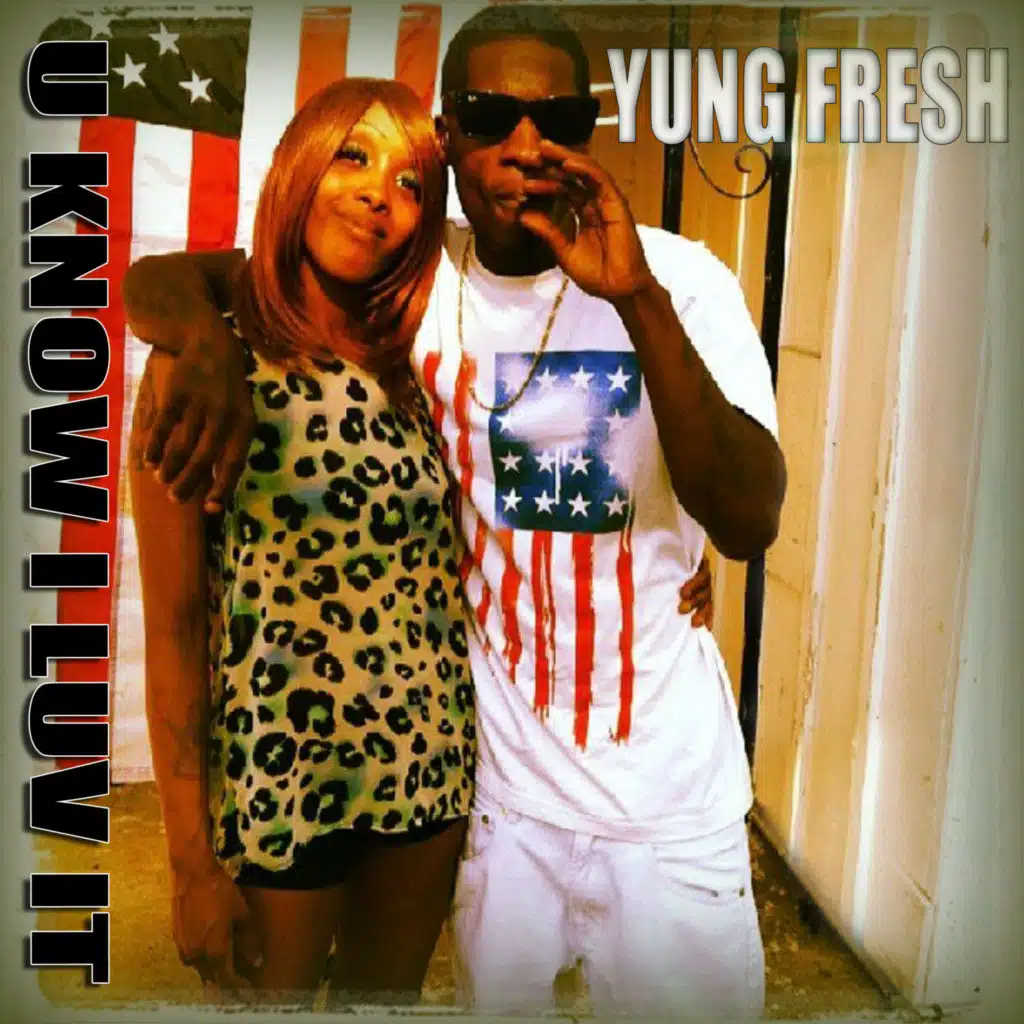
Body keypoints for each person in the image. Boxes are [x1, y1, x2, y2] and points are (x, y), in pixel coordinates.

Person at [122, 5, 781, 1018]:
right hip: (501, 807)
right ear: (452, 137)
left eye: (560, 119)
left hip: (661, 803)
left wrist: (635, 297)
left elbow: (747, 519)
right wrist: (200, 339)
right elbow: (198, 278)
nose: (527, 145)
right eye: (489, 115)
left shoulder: (682, 281)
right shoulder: (418, 289)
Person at [129, 76, 473, 1010]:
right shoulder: (203, 366)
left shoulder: (419, 363)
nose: (378, 194)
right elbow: (174, 627)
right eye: (352, 156)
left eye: (410, 183)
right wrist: (191, 863)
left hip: (426, 774)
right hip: (278, 784)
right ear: (297, 169)